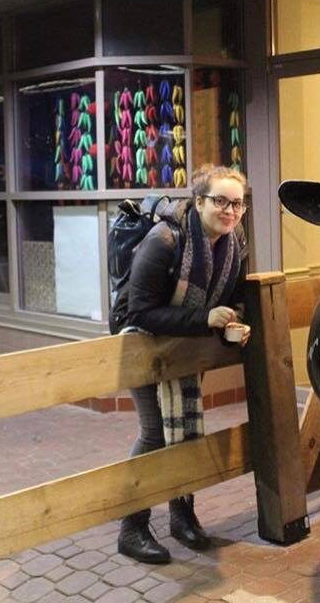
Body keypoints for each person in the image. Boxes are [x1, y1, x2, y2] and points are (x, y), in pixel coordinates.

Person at [111, 164, 250, 564]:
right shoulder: (166, 239)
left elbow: (236, 295)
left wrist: (233, 321)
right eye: (221, 201)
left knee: (183, 431)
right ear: (199, 201)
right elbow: (140, 311)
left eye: (237, 203)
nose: (230, 211)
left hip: (185, 349)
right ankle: (132, 528)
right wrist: (204, 319)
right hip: (141, 345)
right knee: (156, 434)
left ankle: (181, 515)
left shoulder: (232, 241)